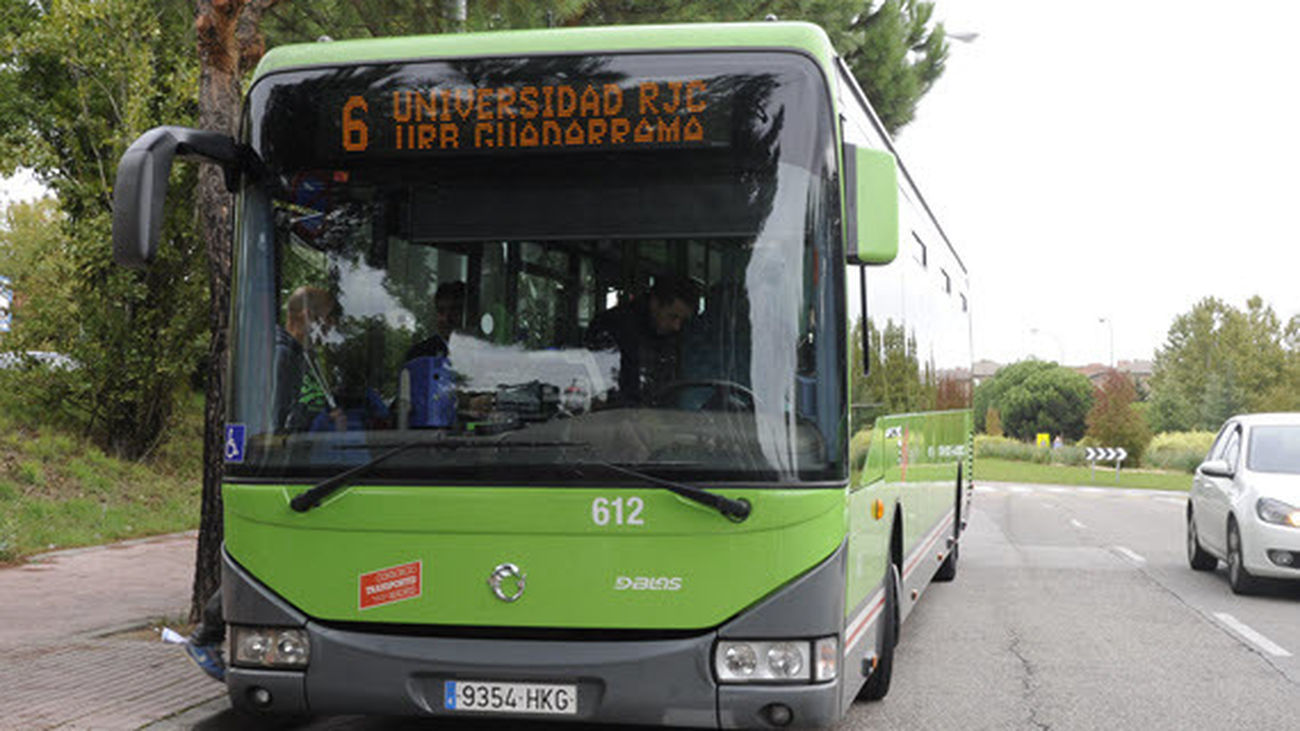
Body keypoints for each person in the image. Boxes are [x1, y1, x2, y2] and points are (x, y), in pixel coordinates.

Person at [585, 277, 699, 405]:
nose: (676, 326)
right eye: (672, 317)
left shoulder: (675, 335)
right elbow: (599, 388)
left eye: (682, 320)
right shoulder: (612, 327)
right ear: (655, 303)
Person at [274, 286, 347, 433]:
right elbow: (278, 422)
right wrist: (324, 422)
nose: (332, 324)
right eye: (328, 317)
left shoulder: (306, 356)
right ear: (307, 316)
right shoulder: (281, 355)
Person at [404, 281, 467, 362]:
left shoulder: (479, 351)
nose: (446, 318)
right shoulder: (419, 354)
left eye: (454, 311)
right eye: (441, 311)